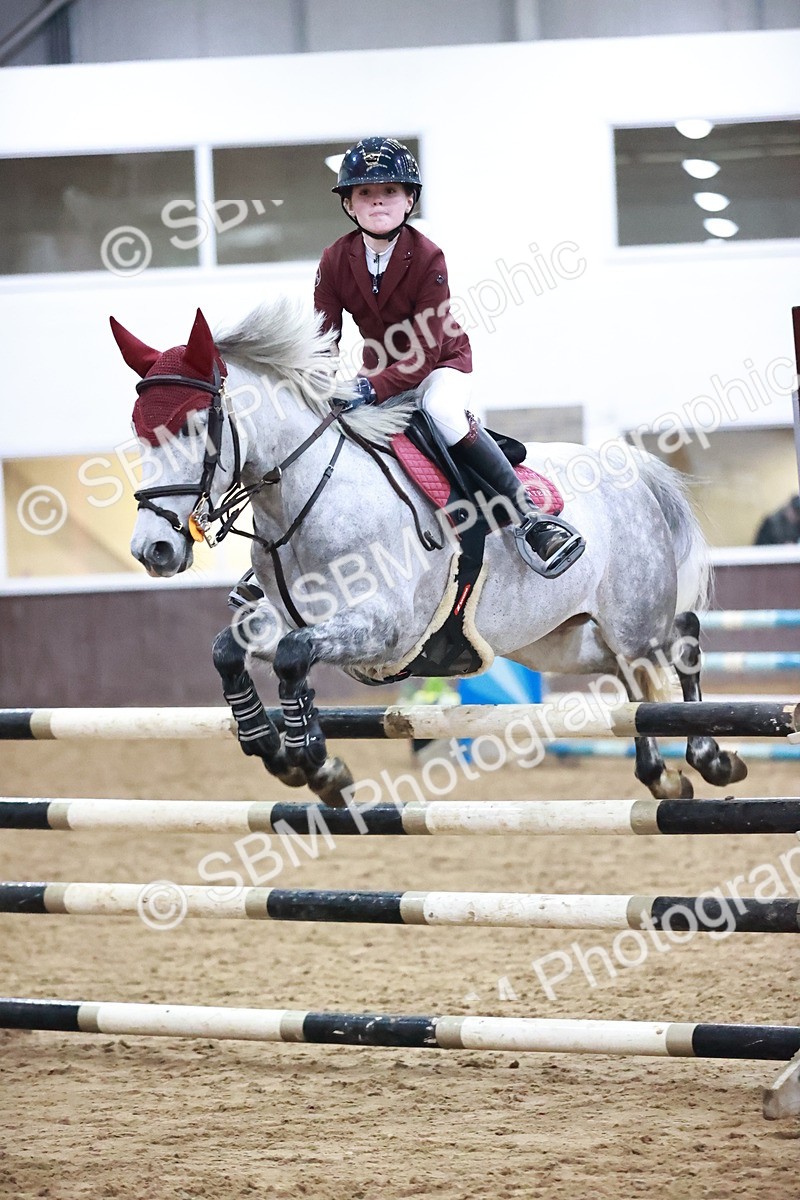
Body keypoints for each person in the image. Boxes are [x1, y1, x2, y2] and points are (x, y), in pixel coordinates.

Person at [313, 136, 585, 578]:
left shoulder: (427, 257)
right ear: (349, 204)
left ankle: (530, 516)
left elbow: (422, 355)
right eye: (365, 192)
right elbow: (324, 337)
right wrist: (319, 387)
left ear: (409, 201)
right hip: (380, 368)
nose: (377, 201)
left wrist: (365, 387)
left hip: (440, 362)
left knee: (440, 410)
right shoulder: (334, 259)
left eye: (390, 192)